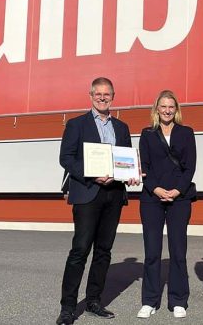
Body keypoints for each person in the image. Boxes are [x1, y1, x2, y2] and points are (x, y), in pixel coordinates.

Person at [55, 77, 140, 325]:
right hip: (87, 191)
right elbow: (66, 158)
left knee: (103, 251)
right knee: (80, 250)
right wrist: (91, 173)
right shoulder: (76, 124)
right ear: (90, 95)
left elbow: (126, 159)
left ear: (113, 96)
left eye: (107, 94)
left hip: (113, 194)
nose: (102, 98)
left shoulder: (121, 128)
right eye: (98, 94)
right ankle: (68, 307)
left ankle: (93, 300)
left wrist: (130, 175)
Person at [137, 90, 197, 319]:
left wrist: (177, 190)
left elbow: (189, 167)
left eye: (171, 106)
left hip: (179, 199)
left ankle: (178, 300)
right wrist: (156, 188)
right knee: (152, 251)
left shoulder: (186, 132)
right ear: (156, 109)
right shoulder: (147, 134)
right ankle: (150, 301)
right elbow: (145, 166)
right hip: (152, 198)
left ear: (176, 109)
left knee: (178, 251)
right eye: (163, 106)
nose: (167, 110)